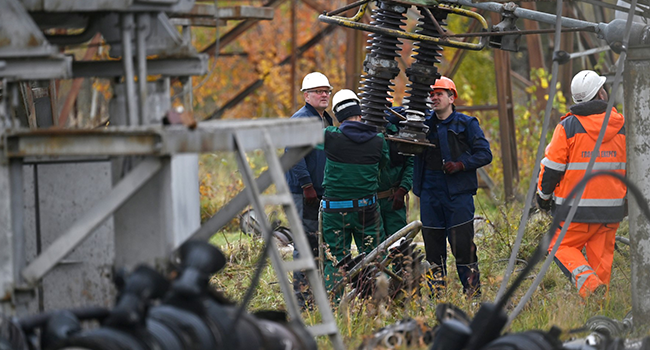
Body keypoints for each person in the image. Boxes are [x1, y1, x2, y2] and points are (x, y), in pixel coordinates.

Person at [537, 70, 626, 299]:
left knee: (558, 245)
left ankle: (591, 287)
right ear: (600, 94)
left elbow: (552, 168)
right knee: (601, 263)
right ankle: (600, 313)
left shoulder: (568, 127)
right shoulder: (622, 127)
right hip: (612, 211)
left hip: (574, 211)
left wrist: (543, 198)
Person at [413, 76, 492, 298]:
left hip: (458, 195)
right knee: (433, 250)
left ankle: (472, 296)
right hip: (429, 194)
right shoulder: (422, 125)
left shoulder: (467, 124)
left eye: (439, 93)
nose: (434, 97)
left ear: (451, 97)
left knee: (463, 246)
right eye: (432, 94)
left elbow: (485, 154)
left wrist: (461, 164)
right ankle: (438, 296)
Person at [319, 89, 390, 292]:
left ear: (338, 116)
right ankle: (377, 301)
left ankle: (336, 306)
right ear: (360, 112)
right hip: (366, 209)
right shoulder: (378, 140)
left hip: (334, 211)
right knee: (374, 255)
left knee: (335, 259)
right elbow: (383, 164)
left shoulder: (329, 136)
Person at [285, 72, 334, 306]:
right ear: (306, 95)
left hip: (318, 192)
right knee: (304, 244)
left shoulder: (326, 119)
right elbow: (293, 155)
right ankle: (303, 301)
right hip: (302, 192)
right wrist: (306, 185)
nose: (324, 94)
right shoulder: (301, 119)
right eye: (318, 91)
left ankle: (316, 296)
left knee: (318, 243)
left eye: (327, 91)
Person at [377, 122, 414, 236]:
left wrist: (403, 189)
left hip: (393, 199)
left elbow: (411, 164)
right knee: (373, 246)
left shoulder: (398, 134)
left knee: (398, 243)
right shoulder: (360, 134)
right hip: (369, 202)